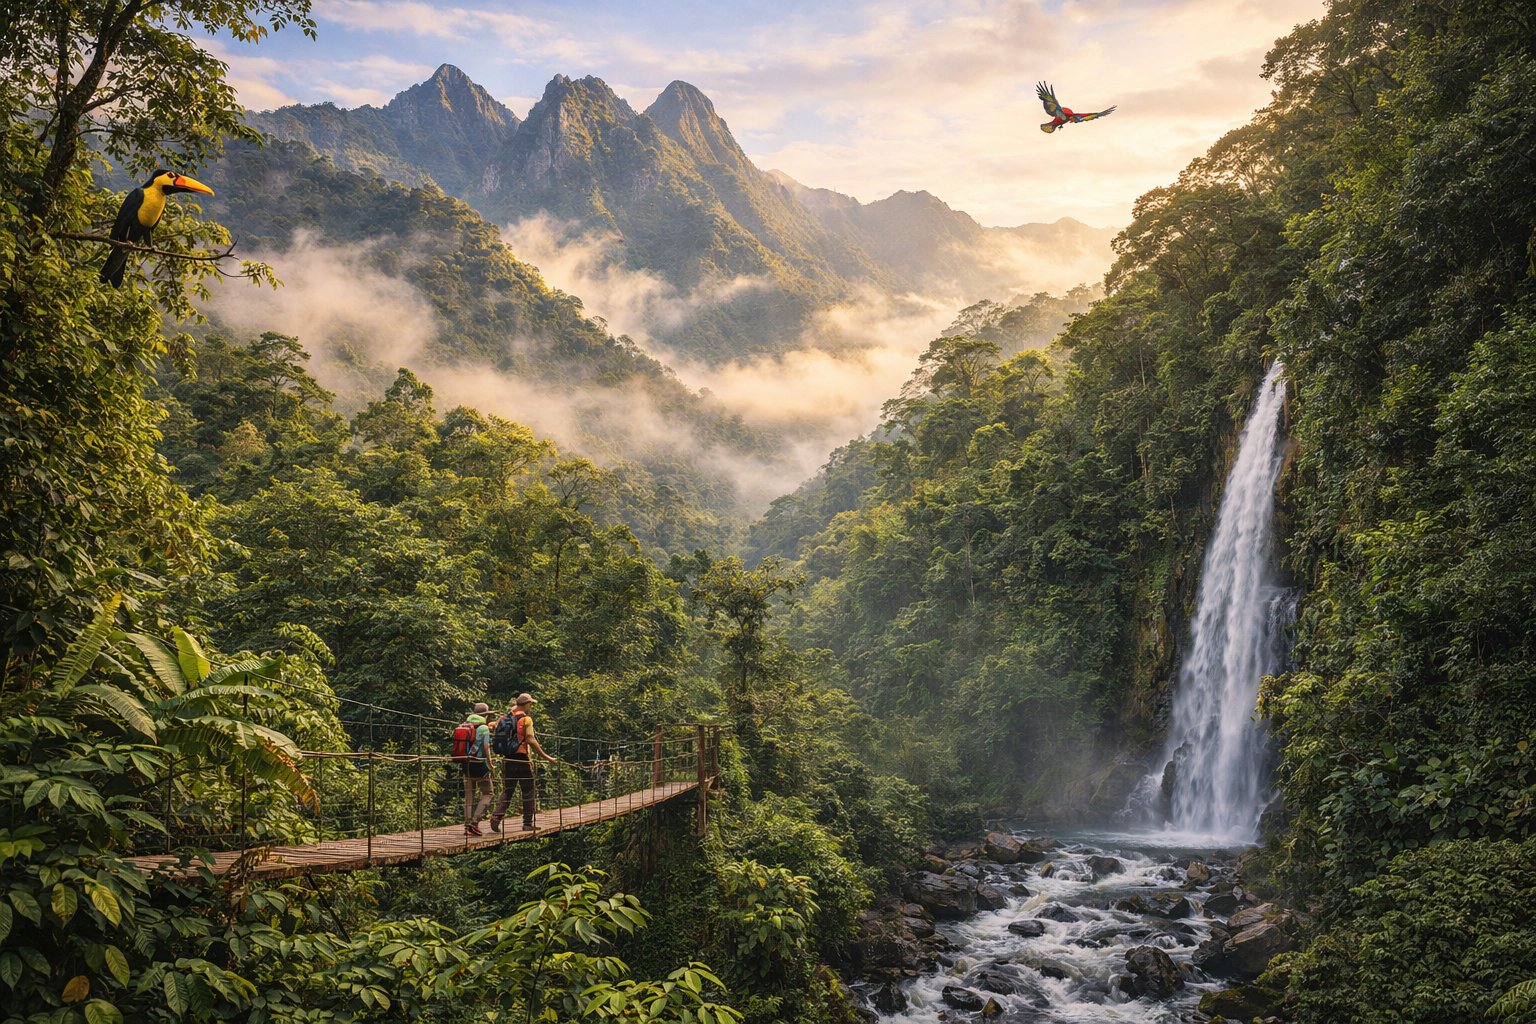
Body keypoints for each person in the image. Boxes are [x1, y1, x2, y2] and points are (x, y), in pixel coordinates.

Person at [489, 692, 556, 832]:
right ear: (526, 704)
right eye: (530, 703)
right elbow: (530, 740)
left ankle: (496, 817)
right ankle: (527, 823)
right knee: (528, 790)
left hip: (508, 759)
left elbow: (494, 729)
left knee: (508, 790)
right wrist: (547, 757)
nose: (531, 706)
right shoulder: (526, 720)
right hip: (522, 759)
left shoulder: (504, 718)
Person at [462, 701, 494, 836]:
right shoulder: (483, 728)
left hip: (466, 764)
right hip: (479, 765)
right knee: (488, 793)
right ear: (485, 715)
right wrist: (491, 764)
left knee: (469, 795)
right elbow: (486, 748)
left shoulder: (465, 725)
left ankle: (467, 826)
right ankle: (475, 823)